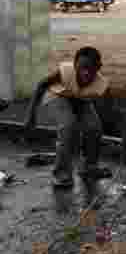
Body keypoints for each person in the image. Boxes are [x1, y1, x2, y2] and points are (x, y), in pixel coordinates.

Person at [25, 47, 112, 188]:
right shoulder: (64, 72)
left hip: (80, 100)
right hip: (57, 96)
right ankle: (61, 174)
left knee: (95, 127)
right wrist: (31, 116)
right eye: (82, 67)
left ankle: (89, 167)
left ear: (98, 68)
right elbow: (41, 85)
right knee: (68, 126)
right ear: (74, 64)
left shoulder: (101, 84)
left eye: (91, 69)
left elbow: (110, 109)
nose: (86, 72)